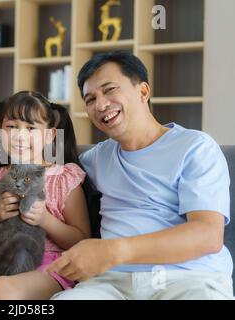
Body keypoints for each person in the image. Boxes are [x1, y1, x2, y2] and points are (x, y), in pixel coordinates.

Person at [48, 51, 234, 300]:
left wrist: (112, 251)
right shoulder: (94, 159)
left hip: (188, 280)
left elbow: (207, 235)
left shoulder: (195, 147)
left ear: (143, 92)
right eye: (90, 99)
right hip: (111, 285)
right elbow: (36, 162)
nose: (100, 105)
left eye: (109, 89)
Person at [0, 91, 91, 300]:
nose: (20, 136)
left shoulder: (62, 178)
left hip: (47, 265)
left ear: (49, 136)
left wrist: (45, 220)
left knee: (3, 287)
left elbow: (82, 240)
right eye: (12, 127)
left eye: (31, 128)